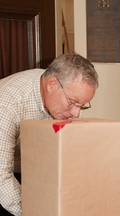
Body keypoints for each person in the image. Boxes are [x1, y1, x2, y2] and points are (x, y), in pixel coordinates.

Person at [0, 53, 99, 216]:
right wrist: (34, 211)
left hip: (24, 168)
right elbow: (1, 176)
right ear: (52, 84)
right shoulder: (8, 103)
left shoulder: (64, 96)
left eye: (82, 106)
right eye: (73, 103)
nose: (76, 113)